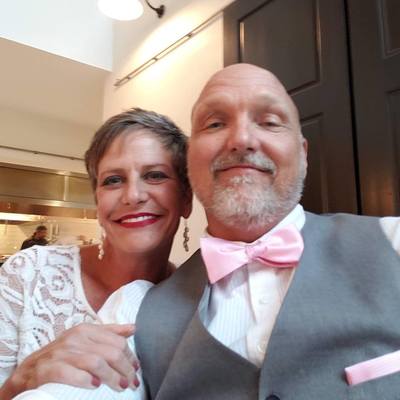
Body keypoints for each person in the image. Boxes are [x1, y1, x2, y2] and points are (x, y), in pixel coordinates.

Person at [135, 64, 400, 399]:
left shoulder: (393, 241)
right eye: (215, 124)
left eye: (270, 122)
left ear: (303, 154)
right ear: (189, 161)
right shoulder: (138, 313)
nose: (242, 140)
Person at [0, 108, 192, 400]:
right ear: (98, 202)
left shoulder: (193, 304)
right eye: (113, 180)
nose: (133, 196)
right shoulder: (28, 275)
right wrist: (23, 379)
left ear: (186, 199)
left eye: (155, 175)